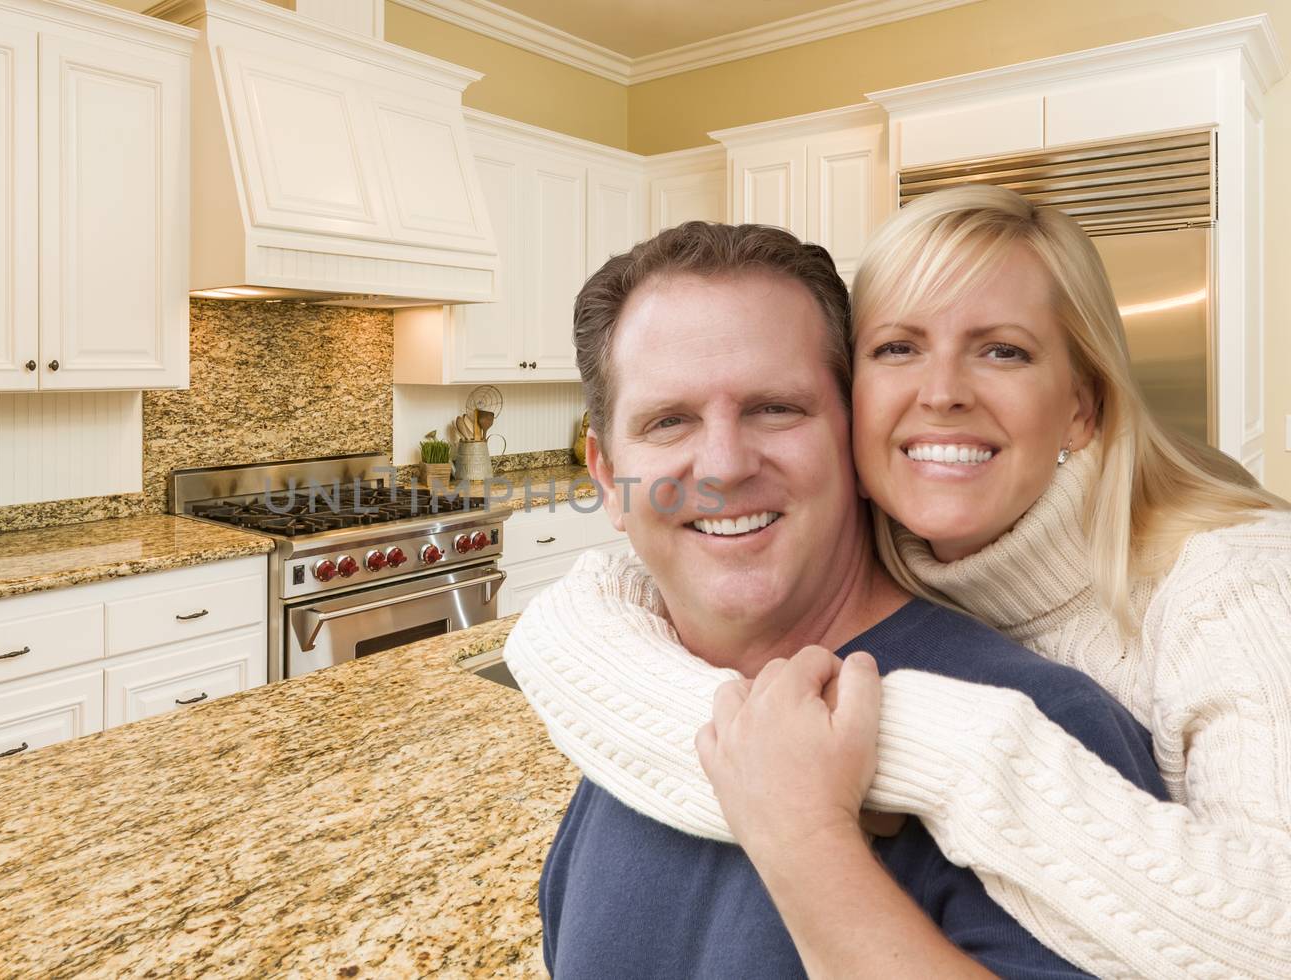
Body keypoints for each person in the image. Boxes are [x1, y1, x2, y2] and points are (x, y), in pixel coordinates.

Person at [507, 187, 1291, 977]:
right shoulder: (633, 698)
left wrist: (874, 787)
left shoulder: (1124, 669)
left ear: (846, 436)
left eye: (776, 408)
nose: (724, 466)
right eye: (668, 421)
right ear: (607, 477)